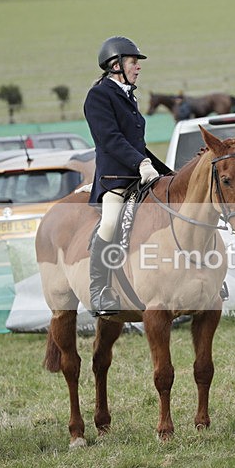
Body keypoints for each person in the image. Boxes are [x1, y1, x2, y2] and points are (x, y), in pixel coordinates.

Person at [84, 35, 171, 316]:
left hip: (140, 176)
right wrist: (140, 163)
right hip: (115, 181)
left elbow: (137, 144)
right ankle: (99, 291)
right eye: (134, 62)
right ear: (116, 64)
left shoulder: (128, 96)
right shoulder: (98, 97)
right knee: (109, 224)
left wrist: (167, 173)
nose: (138, 67)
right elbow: (110, 140)